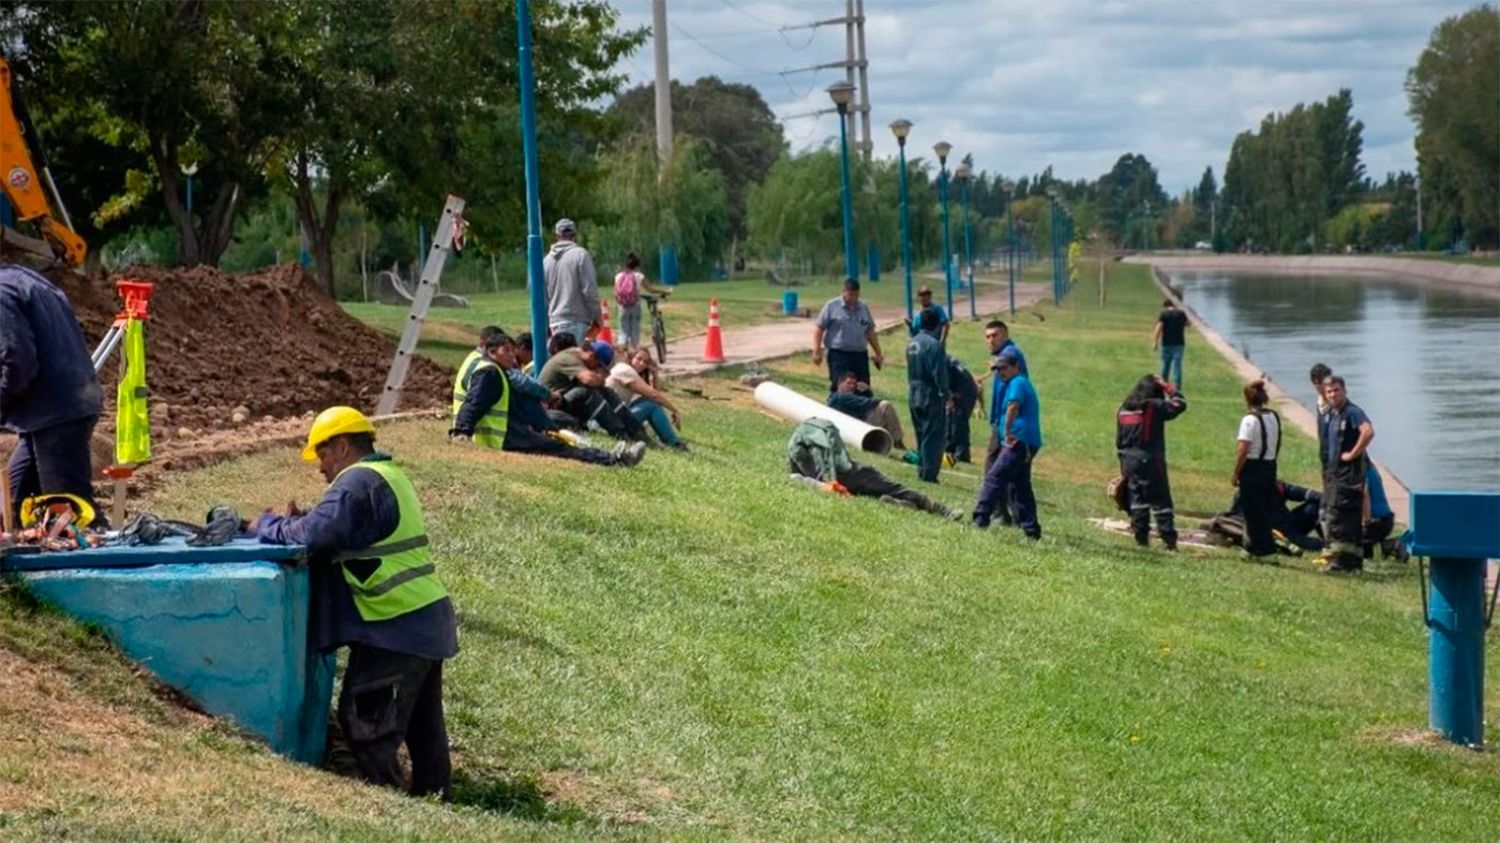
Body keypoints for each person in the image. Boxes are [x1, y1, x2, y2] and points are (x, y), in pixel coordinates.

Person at [253, 407, 457, 800]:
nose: (319, 467)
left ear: (343, 446)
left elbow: (314, 536)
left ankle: (389, 803)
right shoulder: (386, 476)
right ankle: (435, 799)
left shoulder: (357, 482)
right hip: (422, 619)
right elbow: (341, 526)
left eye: (322, 454)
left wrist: (266, 526)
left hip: (396, 624)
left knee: (367, 724)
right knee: (423, 728)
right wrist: (303, 519)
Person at [1, 262, 106, 528]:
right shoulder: (24, 279)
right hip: (59, 406)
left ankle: (105, 549)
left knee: (69, 512)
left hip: (56, 412)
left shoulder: (3, 293)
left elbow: (17, 361)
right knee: (13, 503)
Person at [450, 328, 641, 466]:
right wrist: (461, 432)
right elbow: (474, 403)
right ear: (491, 352)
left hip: (509, 430)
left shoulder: (484, 365)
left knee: (557, 442)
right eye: (506, 351)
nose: (512, 356)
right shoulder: (489, 373)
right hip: (503, 437)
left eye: (512, 350)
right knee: (559, 448)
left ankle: (612, 455)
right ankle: (615, 459)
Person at [787, 417, 961, 520]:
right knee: (893, 490)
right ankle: (923, 507)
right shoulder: (813, 439)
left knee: (887, 490)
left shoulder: (801, 445)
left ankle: (927, 507)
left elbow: (798, 473)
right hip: (852, 478)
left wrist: (828, 483)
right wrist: (830, 483)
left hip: (852, 477)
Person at [972, 350, 1042, 539]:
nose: (1001, 372)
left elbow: (1013, 406)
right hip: (1027, 442)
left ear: (1016, 367)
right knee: (1020, 485)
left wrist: (1008, 431)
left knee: (994, 477)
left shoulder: (1017, 382)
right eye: (998, 369)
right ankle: (1031, 530)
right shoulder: (1018, 382)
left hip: (1019, 440)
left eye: (1004, 368)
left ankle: (980, 518)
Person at [1115, 374, 1188, 549]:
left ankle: (1141, 538)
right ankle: (1168, 540)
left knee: (1137, 500)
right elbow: (1180, 404)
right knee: (1161, 500)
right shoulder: (1153, 406)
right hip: (1150, 459)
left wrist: (1123, 466)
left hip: (1129, 460)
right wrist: (1167, 386)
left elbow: (1119, 441)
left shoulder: (1124, 409)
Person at [538, 339, 648, 441]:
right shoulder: (568, 358)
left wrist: (599, 380)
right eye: (598, 365)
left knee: (607, 392)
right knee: (586, 392)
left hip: (563, 401)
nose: (597, 369)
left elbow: (597, 382)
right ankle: (620, 433)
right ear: (591, 356)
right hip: (550, 406)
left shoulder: (577, 357)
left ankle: (637, 432)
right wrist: (600, 379)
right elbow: (589, 379)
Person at [1317, 375, 1374, 572]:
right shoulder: (1332, 413)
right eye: (1329, 392)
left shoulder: (1352, 412)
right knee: (1335, 514)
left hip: (1349, 475)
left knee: (1341, 515)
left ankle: (1343, 563)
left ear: (1344, 391)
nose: (1333, 394)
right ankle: (1345, 560)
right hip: (1335, 474)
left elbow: (1368, 432)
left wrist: (1352, 454)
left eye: (1336, 390)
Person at [980, 320, 1027, 521]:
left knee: (994, 467)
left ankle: (998, 511)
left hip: (1007, 422)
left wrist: (1003, 425)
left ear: (1005, 335)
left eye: (995, 335)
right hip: (1004, 420)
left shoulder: (1009, 354)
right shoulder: (1007, 354)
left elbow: (1012, 394)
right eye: (987, 337)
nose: (991, 340)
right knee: (1011, 469)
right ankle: (1015, 515)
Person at [1231, 379, 1282, 560]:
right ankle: (1253, 547)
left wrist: (1236, 472)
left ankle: (1262, 550)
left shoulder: (1249, 420)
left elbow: (1243, 448)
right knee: (1264, 508)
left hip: (1253, 467)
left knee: (1252, 510)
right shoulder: (1273, 416)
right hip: (1269, 465)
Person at [606, 347, 687, 450]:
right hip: (611, 421)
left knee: (650, 402)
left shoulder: (627, 370)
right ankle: (674, 443)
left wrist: (655, 374)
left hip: (614, 416)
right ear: (630, 357)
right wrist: (675, 410)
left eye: (645, 362)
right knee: (652, 405)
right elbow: (654, 396)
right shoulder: (625, 370)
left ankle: (667, 438)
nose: (641, 363)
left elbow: (654, 395)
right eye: (639, 358)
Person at [812, 278, 884, 392]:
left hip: (860, 355)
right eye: (850, 295)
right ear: (843, 292)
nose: (853, 298)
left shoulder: (863, 308)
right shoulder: (832, 306)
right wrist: (817, 351)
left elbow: (870, 331)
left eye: (856, 295)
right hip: (839, 355)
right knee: (841, 389)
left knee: (863, 389)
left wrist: (878, 353)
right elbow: (819, 328)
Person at [906, 308, 950, 483]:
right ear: (936, 325)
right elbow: (939, 373)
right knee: (932, 434)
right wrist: (945, 393)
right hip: (929, 392)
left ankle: (921, 468)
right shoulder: (935, 345)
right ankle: (929, 473)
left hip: (913, 390)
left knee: (920, 432)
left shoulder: (912, 343)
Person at [543, 218, 600, 344]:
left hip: (554, 321)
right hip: (576, 319)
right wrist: (597, 316)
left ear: (556, 236)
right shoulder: (581, 255)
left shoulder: (546, 261)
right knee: (573, 355)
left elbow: (543, 296)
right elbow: (589, 290)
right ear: (575, 235)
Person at [827, 371, 906, 450]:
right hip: (856, 432)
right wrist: (868, 391)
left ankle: (891, 440)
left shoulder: (836, 397)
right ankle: (897, 441)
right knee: (885, 406)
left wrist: (867, 392)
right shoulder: (841, 397)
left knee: (882, 409)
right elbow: (869, 403)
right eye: (848, 383)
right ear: (839, 383)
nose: (852, 386)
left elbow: (866, 405)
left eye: (854, 384)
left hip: (854, 429)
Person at [613, 252, 671, 349]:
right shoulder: (639, 276)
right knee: (635, 330)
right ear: (637, 266)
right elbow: (650, 289)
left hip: (622, 306)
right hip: (635, 305)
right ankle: (634, 350)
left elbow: (615, 292)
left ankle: (622, 352)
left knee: (623, 331)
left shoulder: (618, 276)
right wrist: (665, 291)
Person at [945, 356, 979, 463]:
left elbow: (944, 381)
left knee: (958, 422)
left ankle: (961, 454)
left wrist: (950, 397)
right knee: (950, 419)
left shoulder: (939, 361)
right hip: (962, 388)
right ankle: (949, 450)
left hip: (964, 391)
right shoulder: (943, 358)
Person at [1363, 463, 1398, 561]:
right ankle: (1387, 545)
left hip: (1376, 521)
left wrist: (1366, 521)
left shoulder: (1359, 472)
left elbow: (1364, 494)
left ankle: (1394, 545)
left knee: (1351, 543)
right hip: (1386, 519)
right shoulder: (1371, 468)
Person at [1153, 299, 1189, 388]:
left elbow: (1158, 328)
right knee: (1177, 366)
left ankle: (1163, 383)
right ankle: (1177, 385)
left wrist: (1155, 342)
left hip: (1166, 343)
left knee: (1165, 365)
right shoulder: (1181, 313)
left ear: (1165, 306)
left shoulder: (1164, 314)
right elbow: (1188, 324)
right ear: (1173, 305)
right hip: (1179, 343)